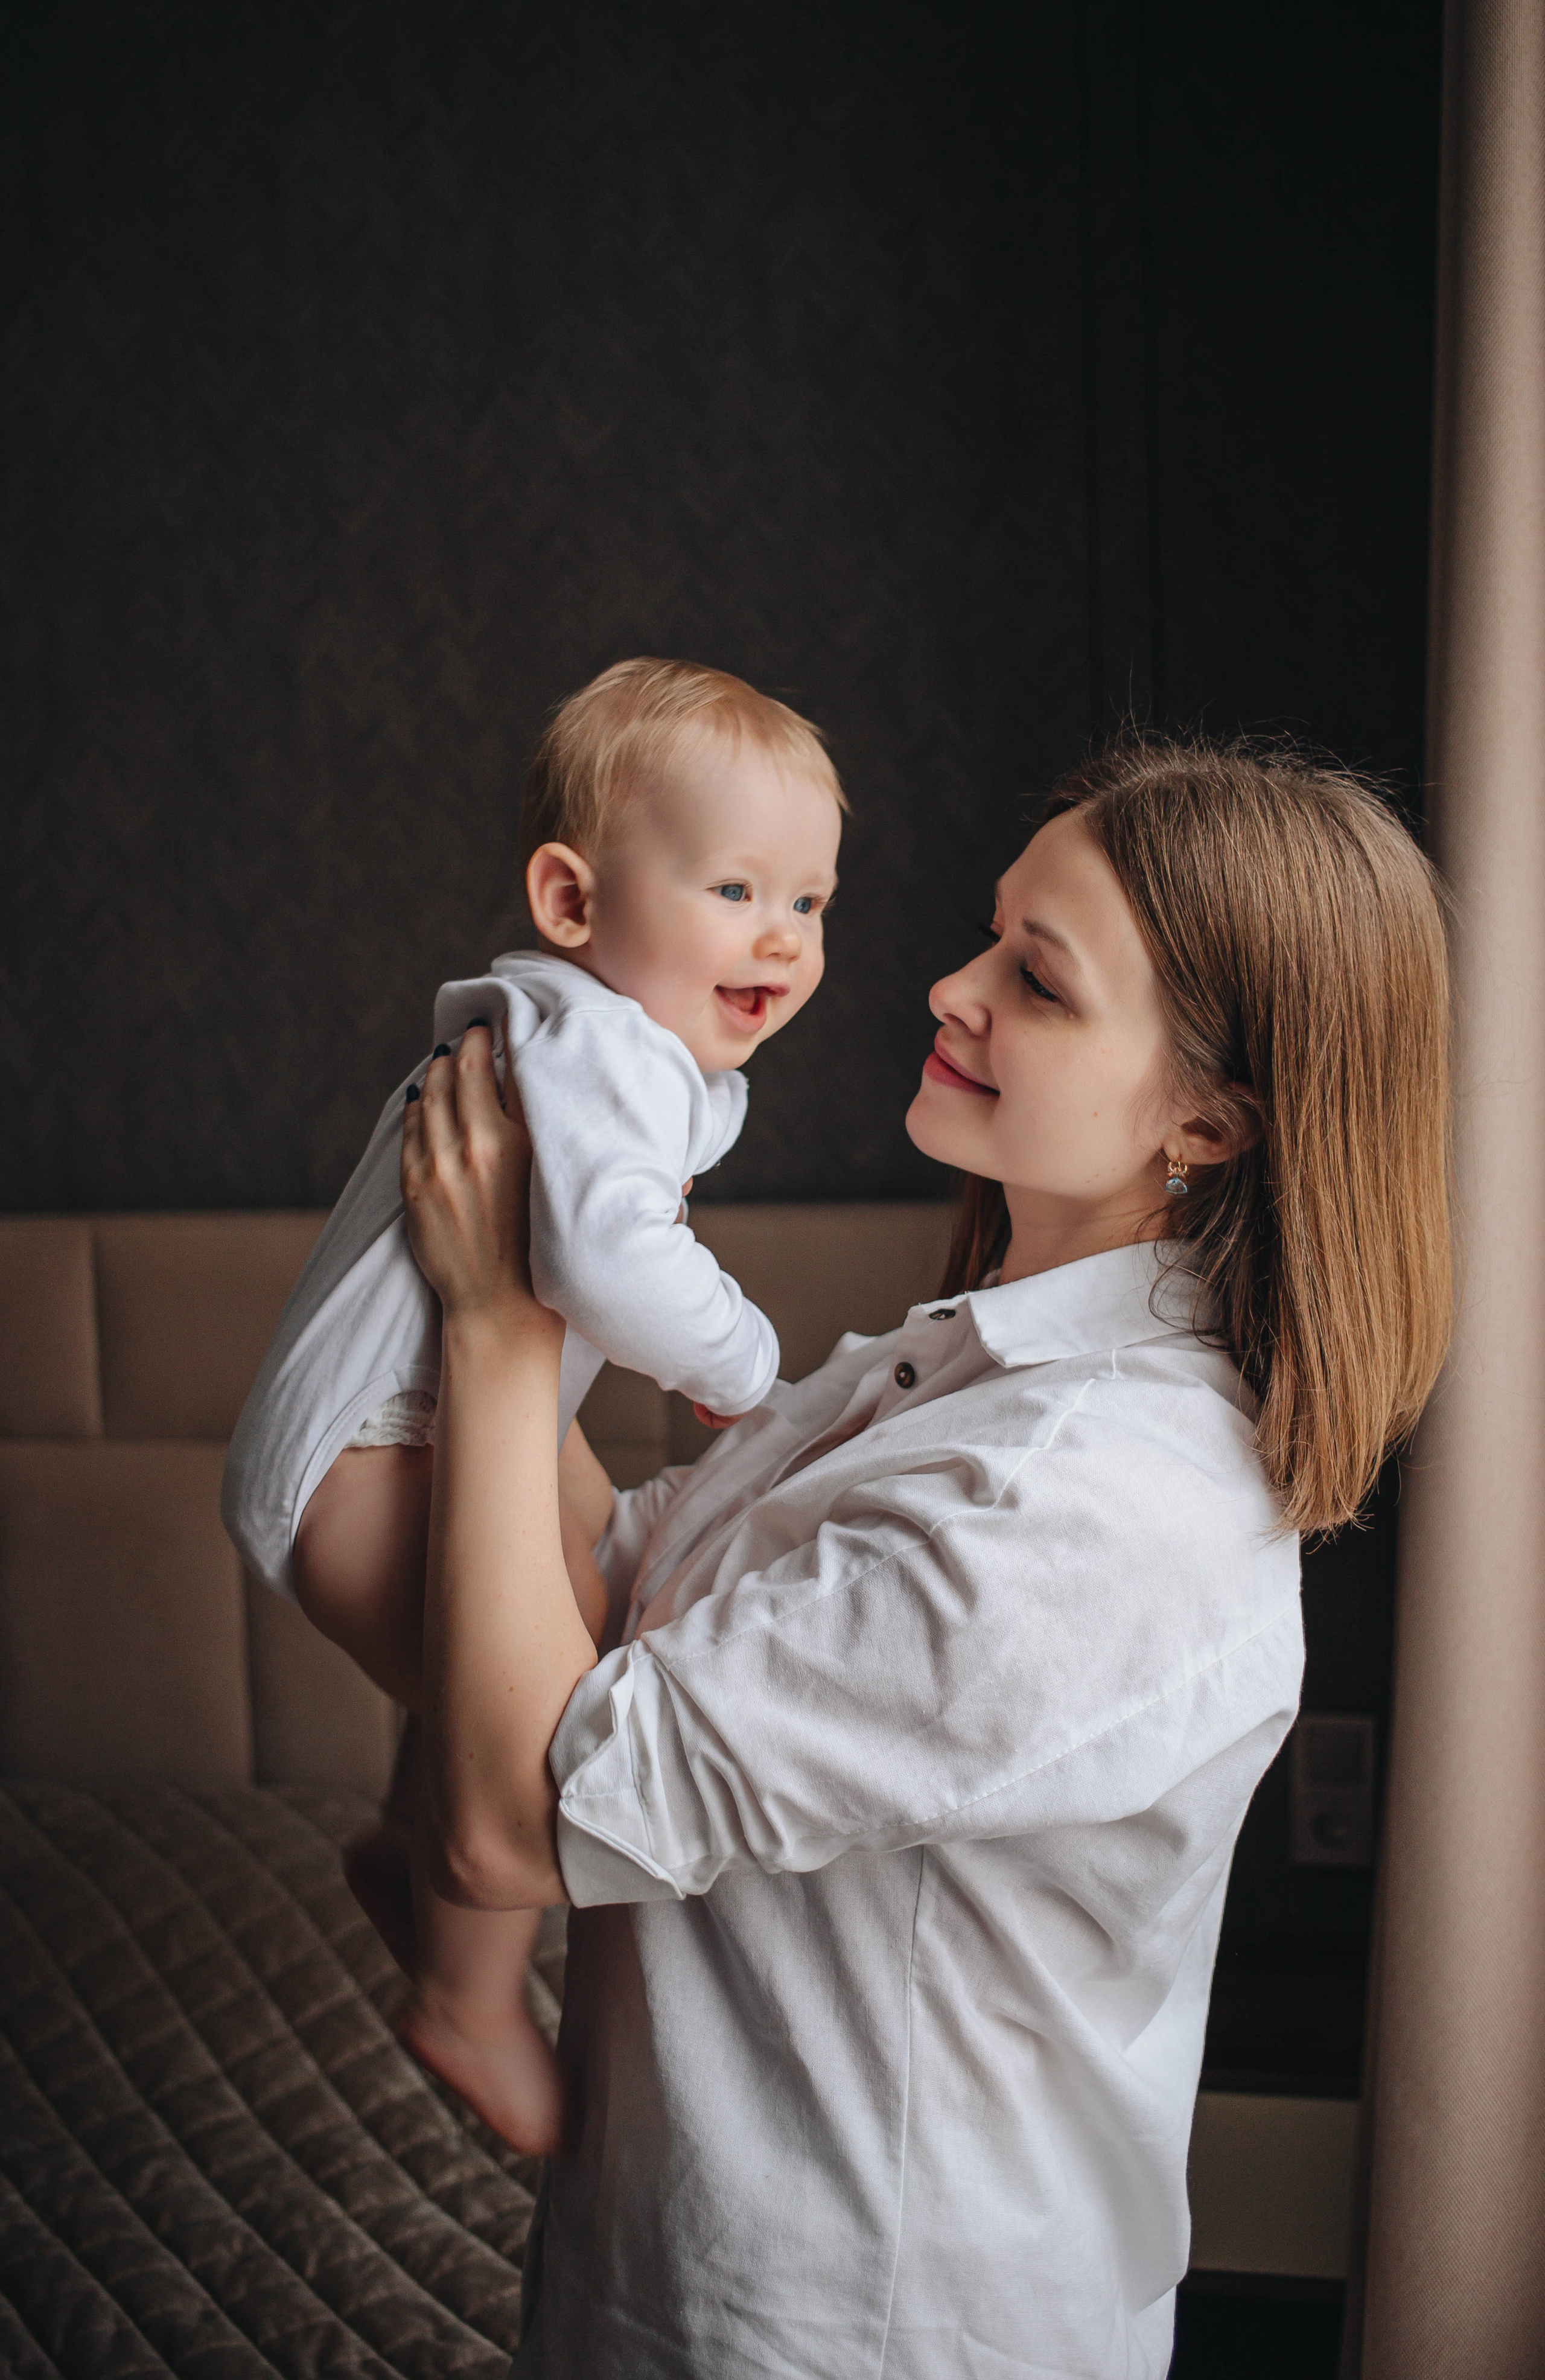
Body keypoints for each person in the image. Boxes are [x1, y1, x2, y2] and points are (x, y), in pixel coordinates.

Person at [369, 738, 1453, 2376]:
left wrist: (501, 1332)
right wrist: (506, 1275)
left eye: (1037, 976)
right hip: (662, 2280)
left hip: (860, 2329)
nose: (948, 987)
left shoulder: (1085, 1508)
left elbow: (518, 1824)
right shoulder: (956, 1367)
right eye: (987, 933)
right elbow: (610, 1583)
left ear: (1212, 1121)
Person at [222, 656, 844, 2154]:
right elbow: (608, 1255)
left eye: (811, 903)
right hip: (365, 1450)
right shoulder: (600, 1054)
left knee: (519, 1625)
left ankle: (397, 1846)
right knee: (539, 1709)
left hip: (390, 1429)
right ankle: (469, 2001)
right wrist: (743, 1366)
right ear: (572, 902)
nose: (780, 936)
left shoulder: (589, 1035)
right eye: (734, 889)